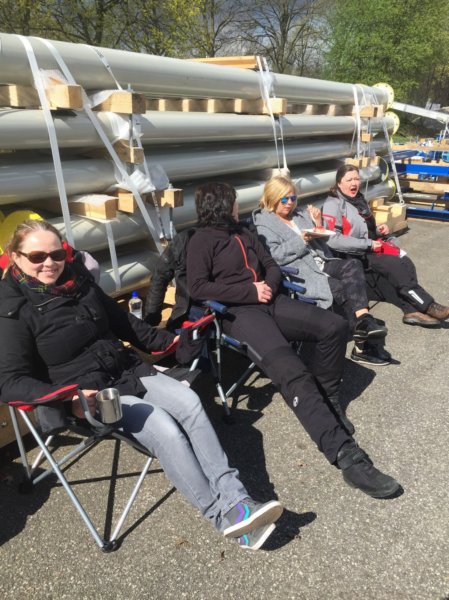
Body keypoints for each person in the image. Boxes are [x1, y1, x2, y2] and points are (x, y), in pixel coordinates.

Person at [0, 219, 284, 551]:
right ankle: (224, 519)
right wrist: (67, 399)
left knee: (190, 402)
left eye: (57, 254)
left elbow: (126, 323)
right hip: (89, 398)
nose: (49, 263)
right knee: (165, 428)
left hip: (126, 371)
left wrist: (174, 340)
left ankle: (237, 501)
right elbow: (9, 381)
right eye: (37, 257)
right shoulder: (12, 309)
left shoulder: (78, 280)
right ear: (15, 257)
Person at [186, 182, 400, 500]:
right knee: (292, 371)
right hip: (239, 314)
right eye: (233, 202)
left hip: (272, 301)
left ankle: (327, 399)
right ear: (222, 205)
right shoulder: (200, 241)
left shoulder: (244, 232)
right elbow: (198, 288)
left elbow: (271, 266)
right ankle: (347, 457)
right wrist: (249, 292)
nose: (237, 207)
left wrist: (268, 286)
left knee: (334, 326)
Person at [253, 175, 391, 366]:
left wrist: (317, 224)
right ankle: (362, 345)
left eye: (293, 198)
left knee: (353, 265)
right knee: (341, 289)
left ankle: (363, 320)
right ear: (272, 197)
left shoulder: (298, 214)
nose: (289, 203)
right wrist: (301, 239)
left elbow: (320, 237)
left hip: (322, 261)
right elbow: (275, 256)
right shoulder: (264, 223)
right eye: (284, 199)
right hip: (303, 272)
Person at [322, 164, 449, 327]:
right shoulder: (333, 204)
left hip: (371, 246)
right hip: (355, 254)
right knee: (394, 265)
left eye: (356, 179)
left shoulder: (358, 199)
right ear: (339, 183)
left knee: (405, 261)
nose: (354, 183)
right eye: (349, 180)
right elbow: (333, 239)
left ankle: (411, 310)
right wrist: (368, 244)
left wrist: (379, 230)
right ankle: (428, 305)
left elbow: (364, 227)